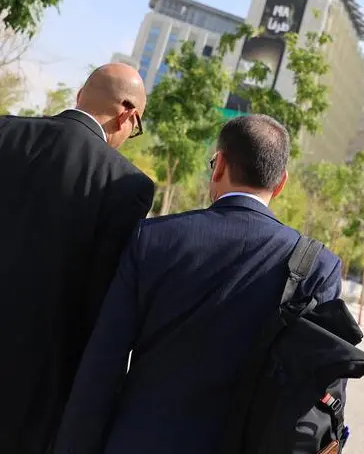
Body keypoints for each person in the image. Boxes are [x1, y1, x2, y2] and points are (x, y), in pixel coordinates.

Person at [54, 114, 342, 454]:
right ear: (281, 184)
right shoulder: (318, 266)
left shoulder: (154, 239)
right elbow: (325, 394)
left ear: (218, 165)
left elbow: (104, 362)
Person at [0, 64, 154, 454]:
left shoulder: (5, 130)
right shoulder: (126, 184)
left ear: (80, 95)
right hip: (35, 381)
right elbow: (98, 301)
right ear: (127, 115)